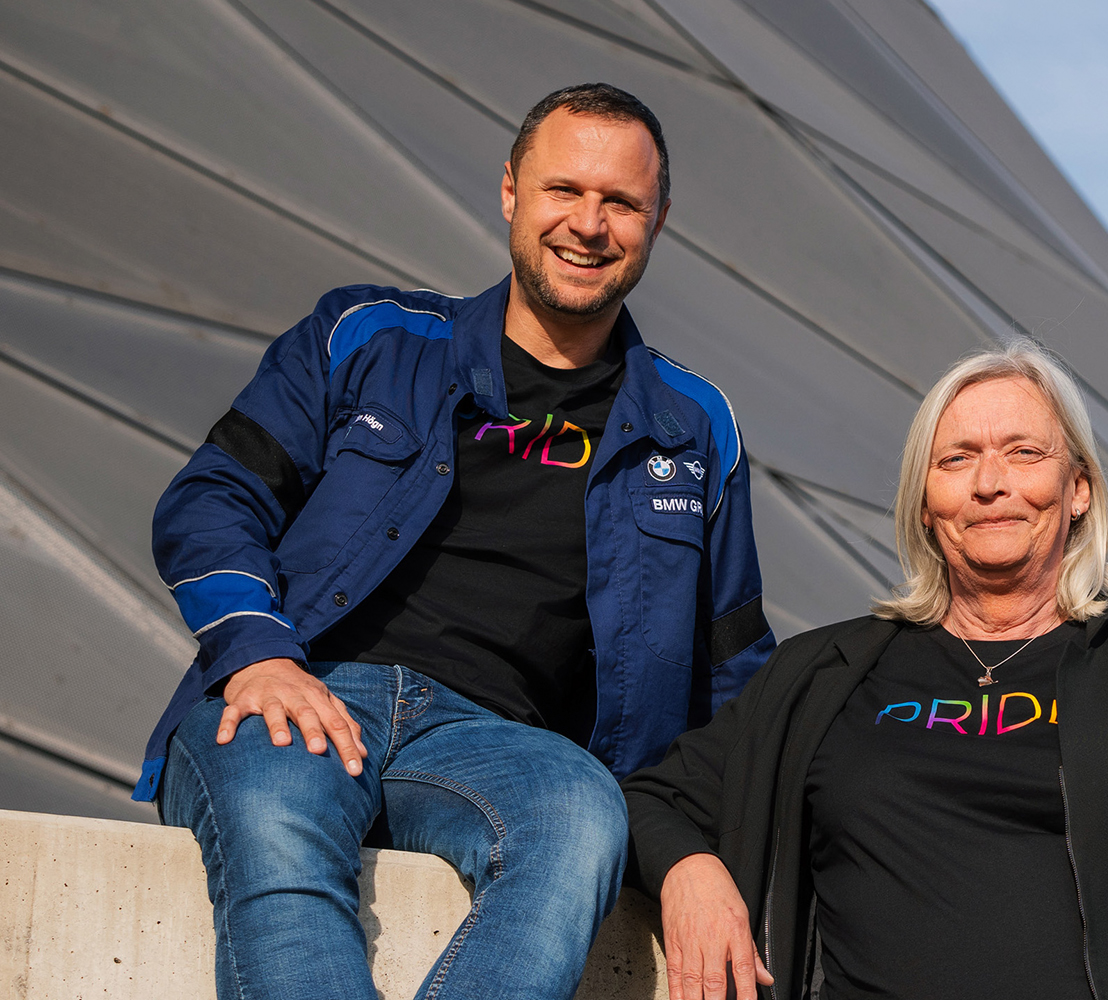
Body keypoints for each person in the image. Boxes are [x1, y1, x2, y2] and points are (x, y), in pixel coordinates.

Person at [134, 82, 775, 1000]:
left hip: (505, 743)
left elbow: (735, 673)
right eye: (564, 191)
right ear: (511, 189)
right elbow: (213, 497)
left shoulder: (694, 424)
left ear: (658, 219)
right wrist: (257, 654)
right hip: (306, 693)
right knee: (275, 830)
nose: (589, 224)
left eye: (621, 202)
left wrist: (695, 855)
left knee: (583, 819)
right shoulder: (368, 337)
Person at [624, 342, 1108, 1000]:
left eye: (1023, 452)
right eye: (957, 459)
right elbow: (646, 798)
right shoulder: (819, 675)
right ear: (926, 505)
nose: (991, 484)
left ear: (1077, 487)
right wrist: (691, 872)